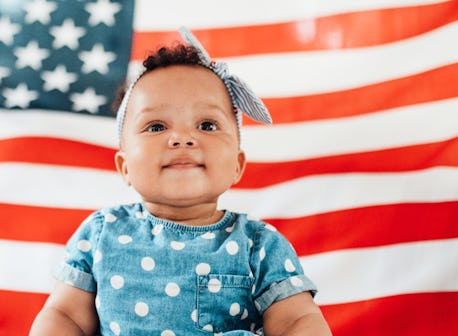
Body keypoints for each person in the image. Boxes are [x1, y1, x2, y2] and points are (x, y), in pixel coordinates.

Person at [30, 28, 332, 336]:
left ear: (237, 166)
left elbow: (297, 320)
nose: (182, 138)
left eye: (207, 124)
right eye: (157, 126)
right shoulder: (100, 233)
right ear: (125, 167)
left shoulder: (258, 245)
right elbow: (64, 314)